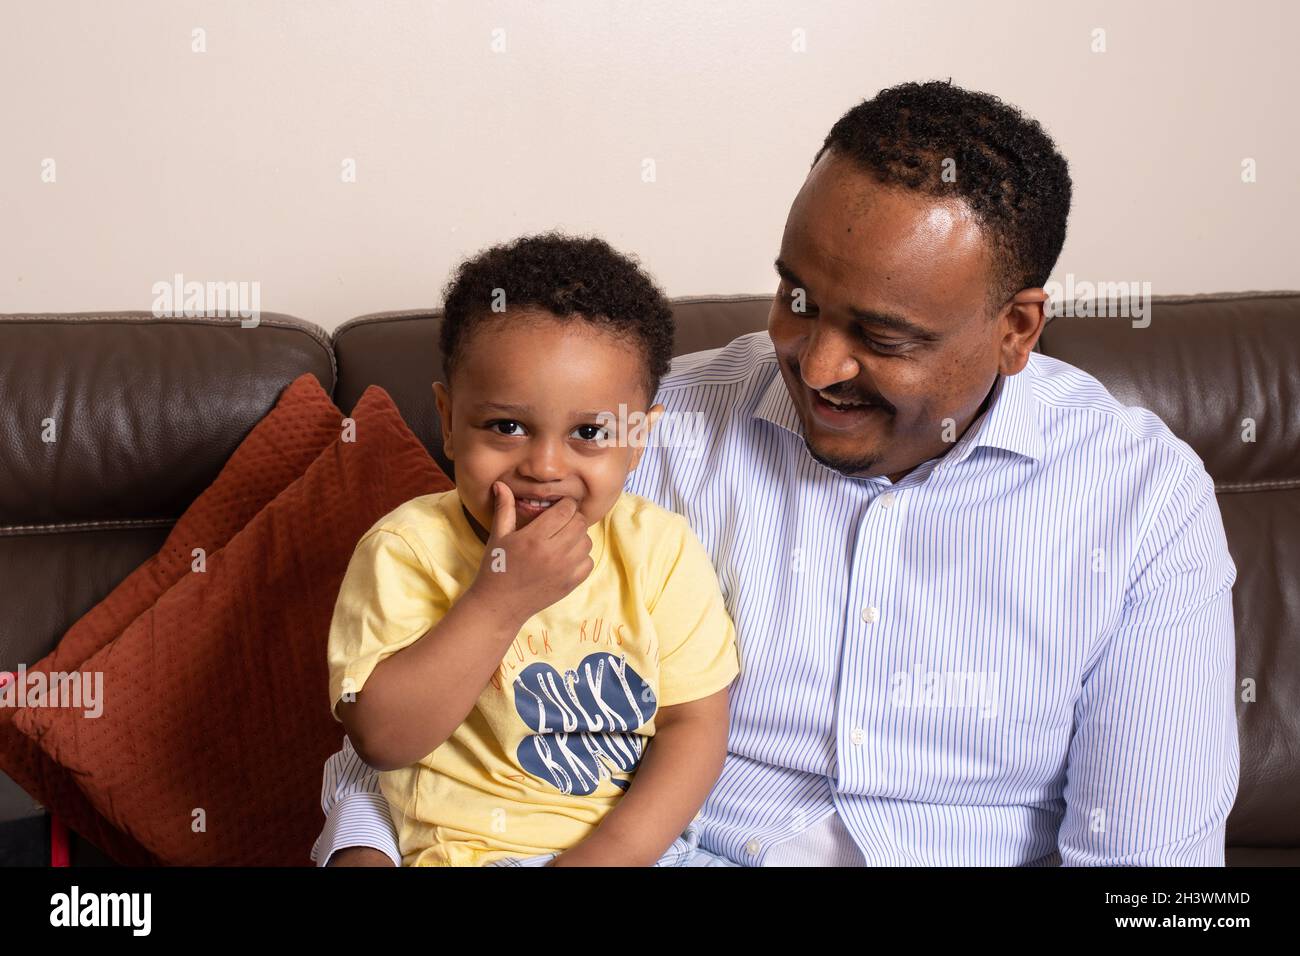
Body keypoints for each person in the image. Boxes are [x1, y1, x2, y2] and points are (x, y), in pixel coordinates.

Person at [315, 80, 1238, 867]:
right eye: (798, 300)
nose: (817, 364)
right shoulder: (641, 435)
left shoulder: (1141, 503)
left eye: (882, 337)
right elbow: (442, 701)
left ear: (1017, 330)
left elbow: (1150, 874)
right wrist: (366, 844)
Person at [325, 233, 740, 866]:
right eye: (506, 426)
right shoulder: (407, 549)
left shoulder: (661, 551)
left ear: (639, 439)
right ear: (447, 419)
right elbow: (382, 738)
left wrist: (611, 855)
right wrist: (499, 599)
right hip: (460, 849)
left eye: (589, 433)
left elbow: (694, 727)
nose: (544, 466)